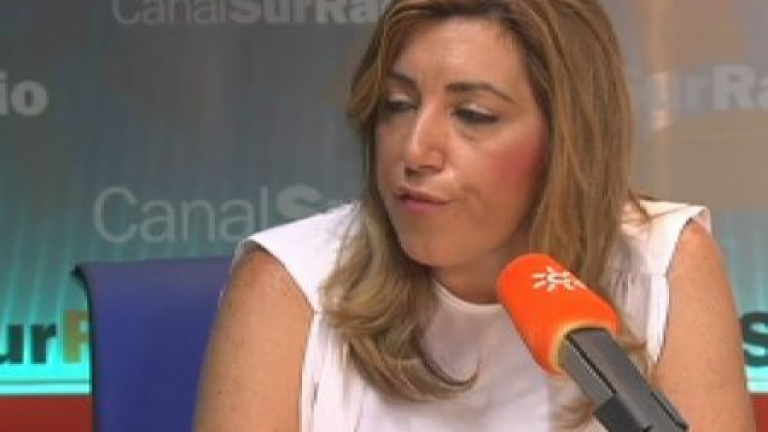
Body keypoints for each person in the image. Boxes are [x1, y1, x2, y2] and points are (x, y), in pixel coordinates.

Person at [193, 0, 755, 431]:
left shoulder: (666, 264)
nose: (416, 150)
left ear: (567, 141)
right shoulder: (290, 283)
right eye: (397, 105)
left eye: (474, 115)